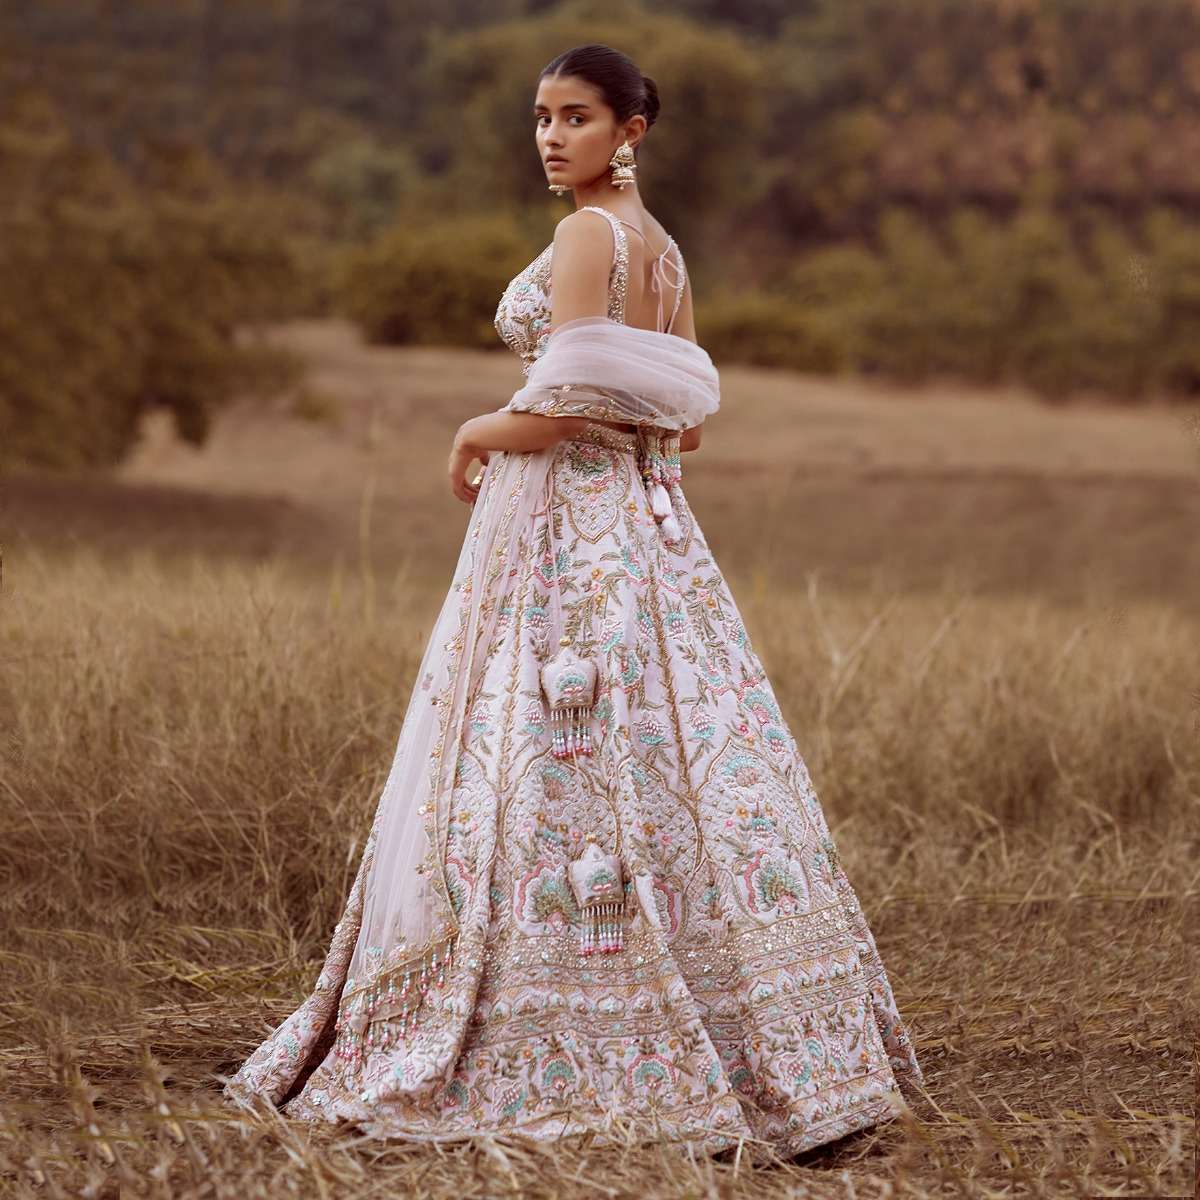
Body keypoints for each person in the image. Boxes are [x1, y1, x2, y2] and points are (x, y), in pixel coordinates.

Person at [222, 42, 923, 1163]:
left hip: (561, 531)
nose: (552, 137)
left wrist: (475, 429)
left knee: (540, 760)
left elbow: (565, 405)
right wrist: (576, 420)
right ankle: (768, 1042)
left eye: (578, 116)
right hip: (646, 534)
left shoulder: (589, 234)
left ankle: (553, 1027)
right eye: (542, 117)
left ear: (630, 130)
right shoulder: (666, 250)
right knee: (661, 758)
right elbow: (683, 418)